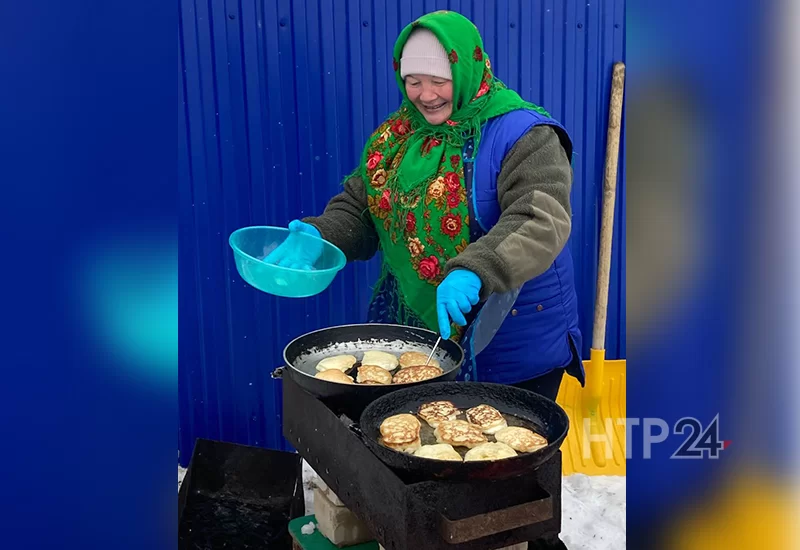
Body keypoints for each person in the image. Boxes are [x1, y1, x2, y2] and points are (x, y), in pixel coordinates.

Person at [266, 10, 584, 399]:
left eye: (439, 80)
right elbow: (362, 206)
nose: (426, 95)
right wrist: (321, 235)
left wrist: (477, 270)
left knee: (500, 452)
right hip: (423, 338)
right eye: (413, 81)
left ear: (467, 70)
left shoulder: (524, 134)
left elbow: (540, 220)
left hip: (510, 340)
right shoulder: (399, 135)